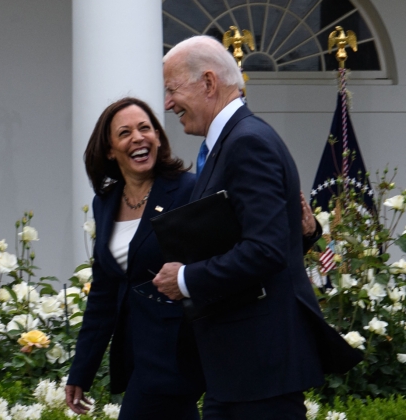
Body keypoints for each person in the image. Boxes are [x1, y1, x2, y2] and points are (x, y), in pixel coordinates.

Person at [153, 35, 361, 419]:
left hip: (259, 371)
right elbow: (265, 244)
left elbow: (264, 252)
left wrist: (185, 279)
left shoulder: (247, 143)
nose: (167, 103)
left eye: (172, 89)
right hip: (239, 372)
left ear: (209, 83)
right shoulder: (231, 143)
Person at [65, 97, 203, 419]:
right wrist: (81, 370)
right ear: (111, 150)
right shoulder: (105, 203)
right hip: (137, 355)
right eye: (125, 133)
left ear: (158, 136)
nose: (138, 138)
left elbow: (218, 255)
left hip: (177, 352)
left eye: (145, 128)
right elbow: (103, 293)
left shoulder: (187, 189)